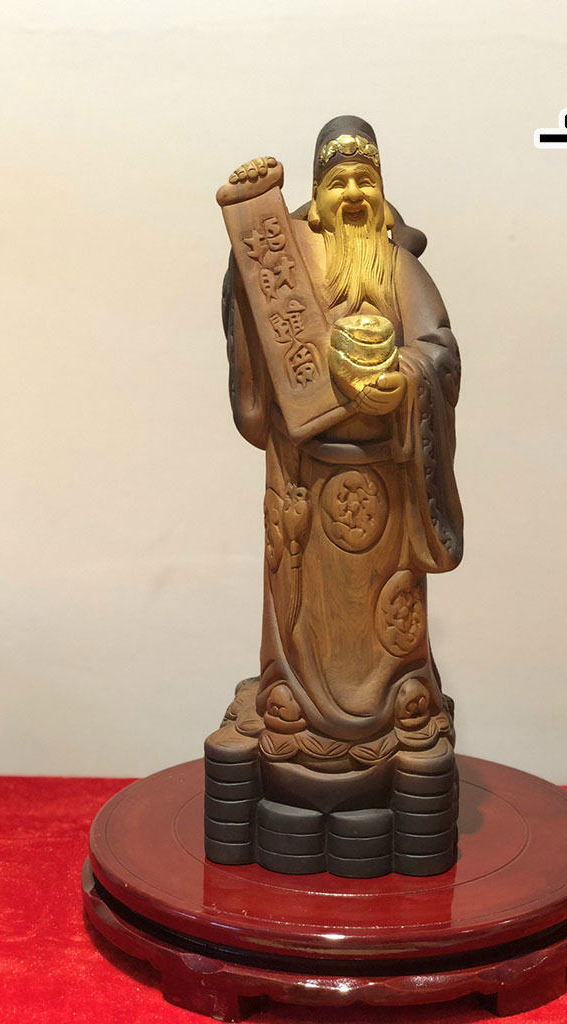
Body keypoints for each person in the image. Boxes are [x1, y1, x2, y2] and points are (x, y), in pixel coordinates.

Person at [205, 116, 464, 876]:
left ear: (381, 192)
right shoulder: (295, 262)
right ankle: (291, 710)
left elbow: (441, 354)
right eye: (338, 180)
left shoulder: (397, 266)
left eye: (365, 179)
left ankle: (396, 708)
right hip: (305, 484)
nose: (352, 192)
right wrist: (250, 256)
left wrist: (404, 378)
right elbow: (258, 348)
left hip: (386, 486)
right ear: (316, 196)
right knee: (303, 617)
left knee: (387, 627)